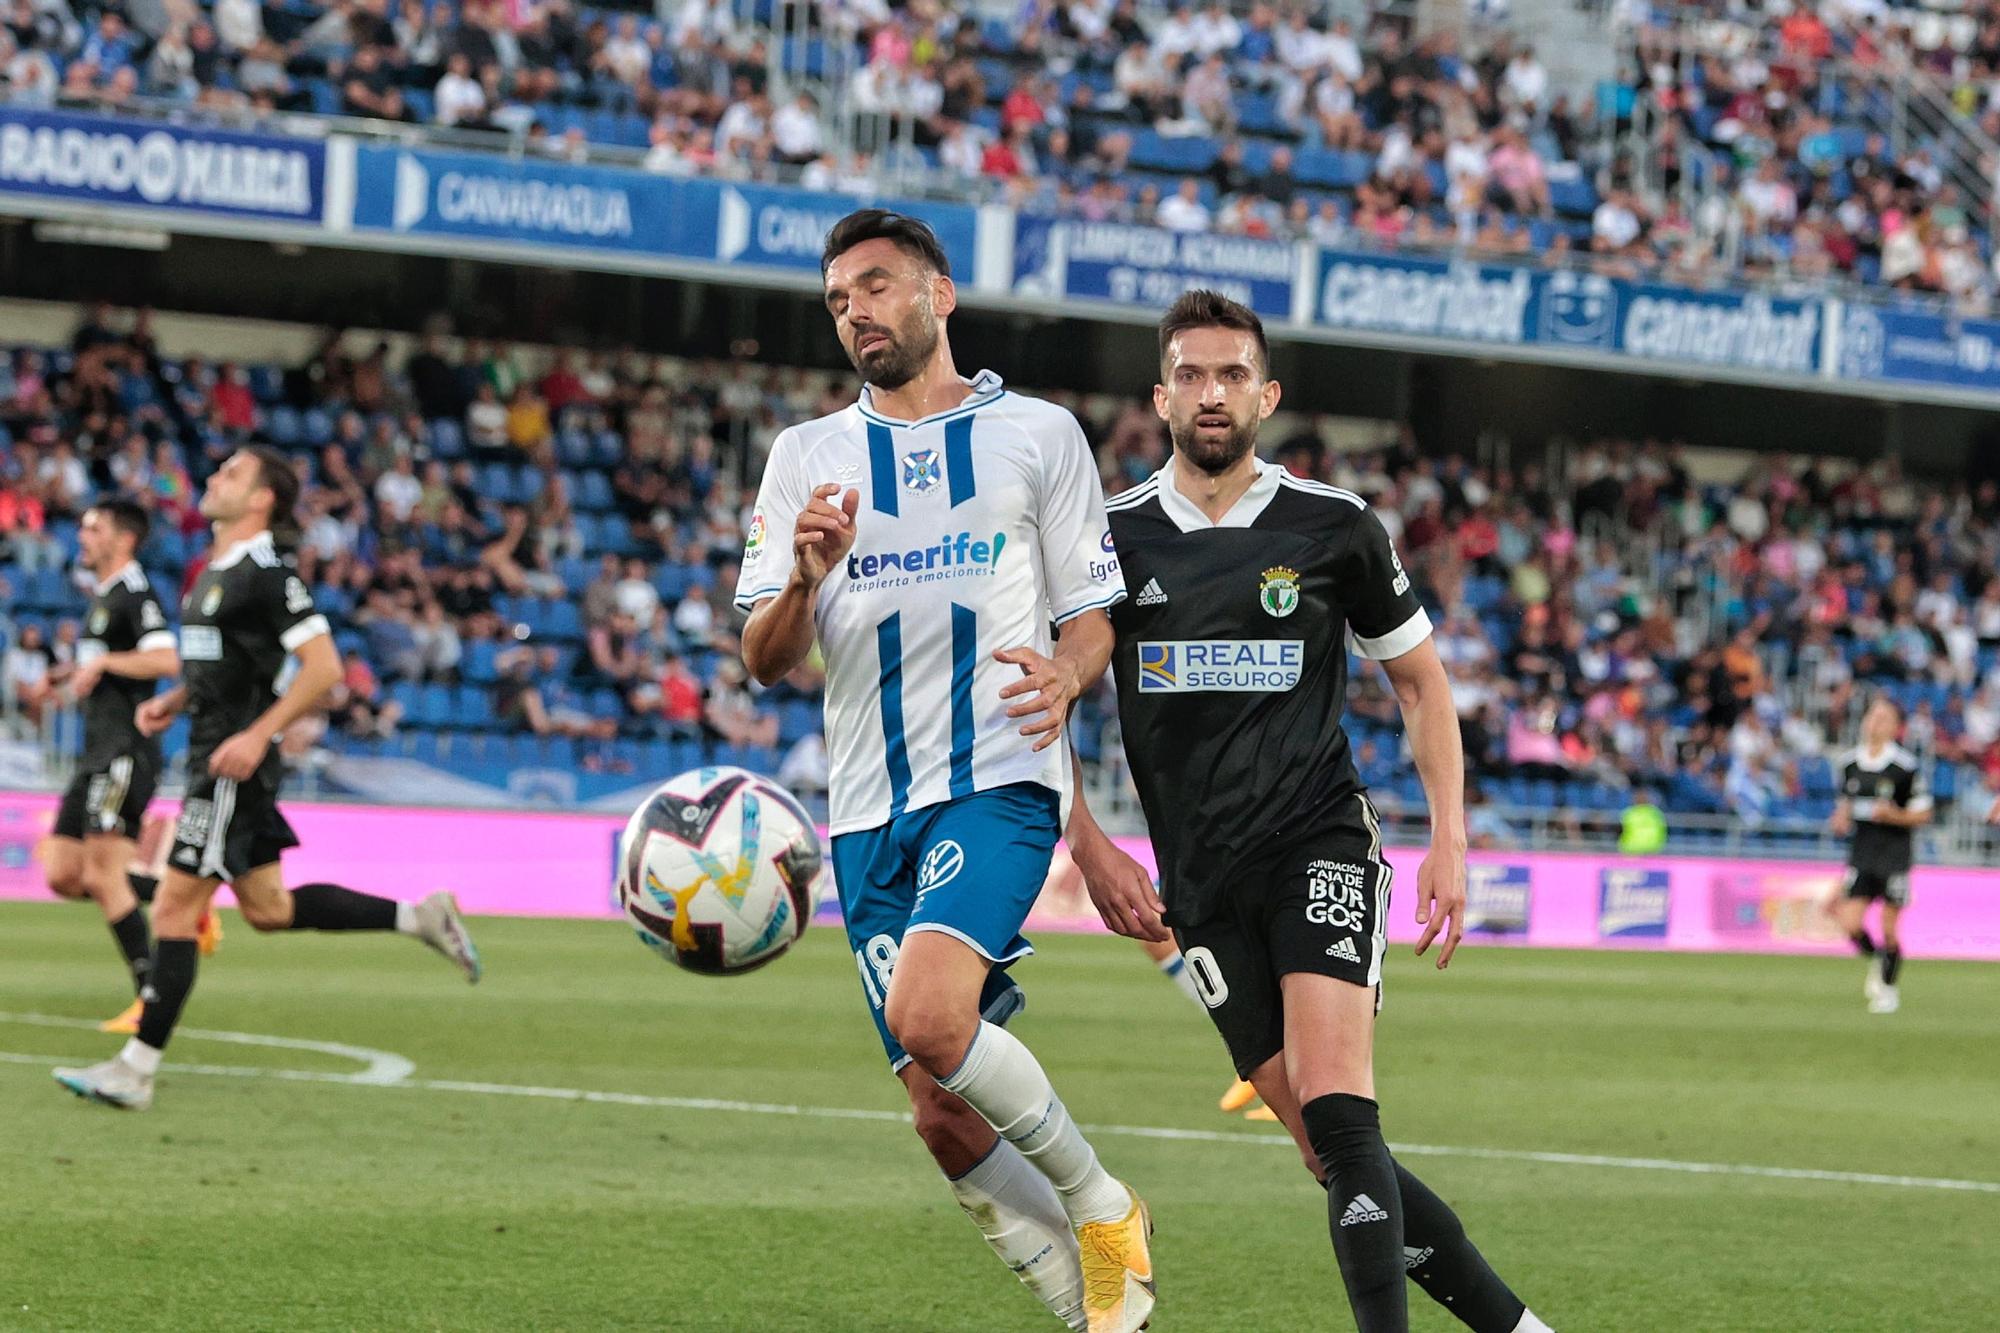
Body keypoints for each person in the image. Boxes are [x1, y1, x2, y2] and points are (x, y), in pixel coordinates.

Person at [1071, 291, 1555, 1333]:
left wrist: (1449, 841)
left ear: (1266, 393)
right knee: (1331, 1153)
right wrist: (1086, 840)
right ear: (1159, 396)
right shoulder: (1104, 540)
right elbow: (1036, 698)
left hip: (1315, 841)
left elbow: (1422, 686)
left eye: (1231, 374)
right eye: (1191, 375)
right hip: (1197, 883)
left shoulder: (1331, 526)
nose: (1211, 392)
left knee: (1340, 1119)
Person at [737, 211, 1151, 1333]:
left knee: (930, 1016)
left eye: (875, 287)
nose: (856, 313)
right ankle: (1100, 1315)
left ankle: (1101, 1202)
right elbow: (764, 660)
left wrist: (1067, 674)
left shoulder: (1038, 435)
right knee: (938, 1114)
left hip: (998, 776)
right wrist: (803, 580)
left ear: (940, 294)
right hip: (866, 811)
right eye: (838, 299)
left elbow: (1090, 617)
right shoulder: (803, 459)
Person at [53, 447, 483, 1112]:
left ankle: (135, 1069)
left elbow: (324, 667)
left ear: (260, 500)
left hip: (231, 766)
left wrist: (257, 734)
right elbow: (219, 670)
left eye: (229, 473)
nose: (212, 477)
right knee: (268, 909)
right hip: (210, 755)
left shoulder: (265, 573)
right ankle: (418, 915)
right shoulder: (210, 574)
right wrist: (174, 701)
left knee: (172, 908)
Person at [35, 499, 191, 1033]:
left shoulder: (135, 592)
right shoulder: (104, 597)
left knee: (103, 872)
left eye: (94, 528)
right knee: (62, 872)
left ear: (123, 539)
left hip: (124, 750)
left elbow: (167, 659)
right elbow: (103, 662)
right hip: (93, 754)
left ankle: (150, 995)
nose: (83, 536)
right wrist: (63, 677)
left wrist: (100, 662)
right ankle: (184, 896)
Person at [1826, 696, 1931, 1015]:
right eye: (1872, 716)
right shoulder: (1849, 763)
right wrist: (1840, 819)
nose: (1874, 722)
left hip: (1894, 854)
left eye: (1883, 718)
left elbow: (1923, 813)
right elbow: (1845, 804)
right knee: (1849, 922)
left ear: (1895, 728)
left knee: (1889, 926)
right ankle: (1877, 960)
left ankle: (1887, 988)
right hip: (1862, 853)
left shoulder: (1904, 768)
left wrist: (1893, 815)